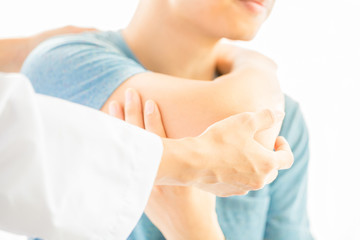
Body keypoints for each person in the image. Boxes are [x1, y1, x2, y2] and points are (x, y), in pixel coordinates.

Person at [22, 0, 313, 238]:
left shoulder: (285, 119)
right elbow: (245, 113)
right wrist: (258, 66)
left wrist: (196, 232)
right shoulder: (64, 64)